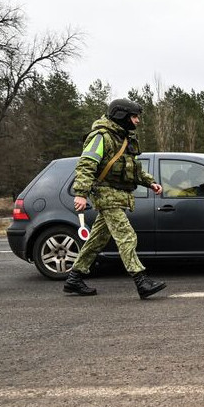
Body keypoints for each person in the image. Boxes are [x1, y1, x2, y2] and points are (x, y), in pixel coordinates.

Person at [63, 98, 167, 299]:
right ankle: (141, 281)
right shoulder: (101, 137)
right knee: (126, 236)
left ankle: (74, 278)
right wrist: (81, 194)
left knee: (97, 239)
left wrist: (150, 182)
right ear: (121, 115)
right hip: (105, 194)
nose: (137, 121)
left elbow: (132, 168)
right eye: (134, 117)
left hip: (118, 195)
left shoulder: (124, 138)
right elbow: (86, 165)